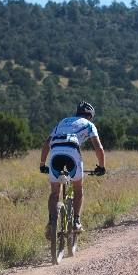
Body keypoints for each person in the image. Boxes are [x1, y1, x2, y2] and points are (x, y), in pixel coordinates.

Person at [40, 101, 106, 239]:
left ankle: (51, 220)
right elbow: (98, 147)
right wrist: (101, 166)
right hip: (72, 152)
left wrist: (42, 164)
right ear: (89, 115)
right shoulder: (88, 124)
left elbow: (47, 142)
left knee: (55, 191)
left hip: (55, 152)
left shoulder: (62, 121)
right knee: (78, 188)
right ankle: (76, 222)